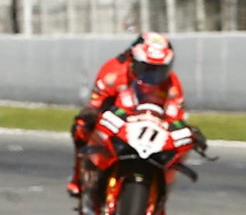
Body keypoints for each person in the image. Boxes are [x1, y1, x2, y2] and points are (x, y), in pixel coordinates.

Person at [67, 31, 202, 196]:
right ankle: (78, 178)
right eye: (145, 67)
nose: (151, 75)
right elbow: (96, 104)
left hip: (152, 129)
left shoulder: (171, 84)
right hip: (117, 121)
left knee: (182, 144)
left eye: (158, 69)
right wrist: (92, 112)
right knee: (82, 125)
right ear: (132, 60)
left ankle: (161, 192)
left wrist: (188, 131)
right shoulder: (112, 73)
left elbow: (176, 115)